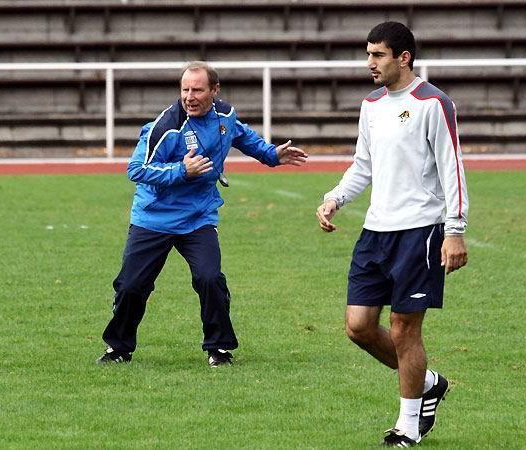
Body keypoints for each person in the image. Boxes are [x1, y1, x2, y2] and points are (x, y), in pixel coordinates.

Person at [316, 22, 468, 447]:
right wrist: (335, 198)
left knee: (404, 329)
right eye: (368, 54)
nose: (370, 63)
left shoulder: (433, 103)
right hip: (375, 231)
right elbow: (363, 163)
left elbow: (452, 168)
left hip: (419, 231)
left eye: (378, 55)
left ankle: (407, 425)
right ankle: (428, 383)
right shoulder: (371, 104)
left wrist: (455, 230)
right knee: (359, 327)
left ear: (404, 58)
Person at [98, 61, 308, 368]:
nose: (189, 96)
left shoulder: (225, 115)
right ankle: (118, 348)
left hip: (198, 217)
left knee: (209, 278)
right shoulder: (166, 127)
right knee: (131, 286)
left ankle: (219, 349)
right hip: (154, 217)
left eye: (197, 90)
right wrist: (182, 170)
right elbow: (137, 170)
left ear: (214, 91)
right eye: (185, 89)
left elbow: (242, 136)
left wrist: (271, 154)